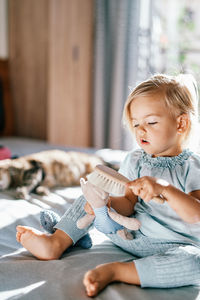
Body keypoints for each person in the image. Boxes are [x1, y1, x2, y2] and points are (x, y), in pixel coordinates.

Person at [16, 74, 200, 297]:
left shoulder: (192, 166)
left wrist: (164, 189)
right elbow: (128, 204)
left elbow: (195, 214)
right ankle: (57, 241)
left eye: (151, 122)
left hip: (174, 245)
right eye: (136, 124)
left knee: (196, 264)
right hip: (130, 234)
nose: (141, 130)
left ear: (180, 123)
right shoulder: (135, 160)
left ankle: (119, 271)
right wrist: (107, 206)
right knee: (94, 192)